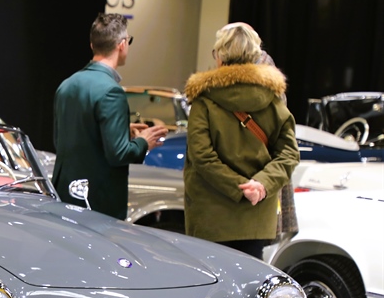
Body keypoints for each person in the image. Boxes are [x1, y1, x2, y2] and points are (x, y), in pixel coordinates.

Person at [183, 22, 299, 259]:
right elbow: (289, 153)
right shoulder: (273, 99)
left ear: (220, 55)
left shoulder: (204, 100)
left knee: (211, 278)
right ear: (255, 54)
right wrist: (260, 185)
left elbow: (202, 157)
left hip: (211, 217)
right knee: (249, 278)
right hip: (257, 216)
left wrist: (238, 186)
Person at [52, 13, 168, 219]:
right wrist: (143, 141)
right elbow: (119, 154)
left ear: (92, 45)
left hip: (64, 194)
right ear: (122, 45)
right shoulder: (111, 91)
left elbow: (65, 139)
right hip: (96, 202)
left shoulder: (66, 85)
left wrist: (122, 130)